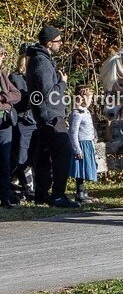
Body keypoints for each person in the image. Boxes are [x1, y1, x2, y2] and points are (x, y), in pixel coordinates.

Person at [26, 26, 77, 207]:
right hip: (51, 117)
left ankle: (42, 196)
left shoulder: (40, 60)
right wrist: (62, 84)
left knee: (44, 157)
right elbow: (48, 93)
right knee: (64, 154)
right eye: (58, 40)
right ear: (49, 43)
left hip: (47, 116)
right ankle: (57, 195)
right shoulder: (41, 62)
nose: (61, 43)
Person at [8, 44, 35, 203]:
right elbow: (17, 99)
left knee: (32, 157)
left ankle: (29, 187)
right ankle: (25, 188)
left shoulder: (33, 75)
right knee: (21, 157)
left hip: (34, 120)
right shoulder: (15, 77)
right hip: (22, 121)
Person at [0, 44, 22, 208]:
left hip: (5, 124)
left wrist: (4, 98)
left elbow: (17, 94)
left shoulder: (2, 75)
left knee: (5, 161)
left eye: (3, 53)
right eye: (0, 54)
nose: (2, 57)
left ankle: (5, 197)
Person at [69, 84, 98, 203]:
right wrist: (77, 149)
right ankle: (79, 193)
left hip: (88, 142)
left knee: (85, 168)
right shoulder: (77, 113)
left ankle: (82, 191)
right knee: (80, 169)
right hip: (81, 144)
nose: (91, 100)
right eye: (89, 97)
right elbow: (72, 132)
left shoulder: (85, 112)